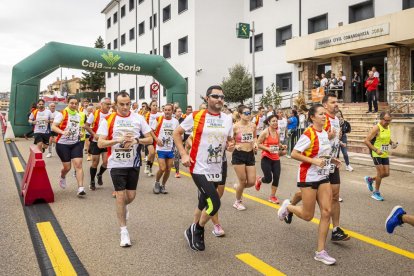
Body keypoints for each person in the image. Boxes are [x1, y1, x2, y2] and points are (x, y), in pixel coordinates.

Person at [278, 104, 341, 265]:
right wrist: (314, 161)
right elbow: (294, 154)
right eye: (320, 114)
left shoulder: (325, 134)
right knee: (308, 216)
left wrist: (331, 160)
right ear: (312, 117)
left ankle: (320, 252)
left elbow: (322, 153)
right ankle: (288, 207)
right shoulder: (308, 133)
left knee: (326, 212)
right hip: (308, 176)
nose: (324, 116)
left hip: (323, 176)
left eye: (324, 114)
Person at [173, 85, 234, 251]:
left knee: (204, 200)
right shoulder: (196, 116)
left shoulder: (227, 118)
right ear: (207, 99)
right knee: (214, 202)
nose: (219, 99)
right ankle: (197, 229)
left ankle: (192, 229)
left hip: (217, 167)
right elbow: (176, 133)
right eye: (215, 96)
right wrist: (184, 154)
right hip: (198, 167)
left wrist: (230, 144)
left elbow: (229, 139)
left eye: (222, 96)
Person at [97, 91, 153, 247]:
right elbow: (101, 143)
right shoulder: (108, 120)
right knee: (120, 196)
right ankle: (124, 231)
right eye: (122, 104)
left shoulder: (138, 118)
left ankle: (124, 207)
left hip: (133, 163)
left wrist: (136, 140)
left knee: (131, 196)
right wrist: (118, 140)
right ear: (116, 105)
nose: (125, 107)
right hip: (116, 164)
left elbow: (149, 139)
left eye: (128, 103)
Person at [322, 93, 350, 242]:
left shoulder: (337, 120)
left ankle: (336, 229)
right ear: (325, 105)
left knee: (334, 195)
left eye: (337, 101)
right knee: (307, 195)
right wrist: (329, 137)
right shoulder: (322, 118)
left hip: (332, 163)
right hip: (320, 163)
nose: (336, 104)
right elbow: (316, 139)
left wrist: (339, 144)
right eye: (333, 102)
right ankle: (290, 206)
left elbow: (335, 139)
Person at [51, 97, 86, 197]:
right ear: (67, 103)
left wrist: (79, 134)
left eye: (76, 103)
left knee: (78, 165)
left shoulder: (79, 115)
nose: (74, 105)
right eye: (72, 103)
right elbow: (53, 126)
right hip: (62, 144)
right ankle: (62, 176)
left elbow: (77, 128)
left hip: (76, 143)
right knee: (67, 167)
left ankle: (80, 188)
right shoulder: (62, 114)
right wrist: (62, 132)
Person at [363, 111, 397, 201]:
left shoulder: (388, 126)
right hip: (376, 153)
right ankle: (376, 193)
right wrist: (376, 150)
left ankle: (370, 179)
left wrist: (392, 143)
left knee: (386, 173)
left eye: (389, 120)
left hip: (384, 153)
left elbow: (387, 138)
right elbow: (366, 141)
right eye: (386, 120)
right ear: (381, 119)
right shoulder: (376, 128)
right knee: (380, 173)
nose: (388, 122)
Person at [255, 115, 287, 203]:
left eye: (276, 121)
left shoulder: (277, 132)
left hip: (276, 158)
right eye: (273, 121)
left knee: (276, 177)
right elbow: (258, 144)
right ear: (269, 122)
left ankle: (272, 196)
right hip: (266, 157)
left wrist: (282, 146)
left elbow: (278, 143)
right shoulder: (265, 132)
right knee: (268, 179)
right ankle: (259, 180)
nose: (275, 123)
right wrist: (267, 149)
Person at [232, 105, 257, 211]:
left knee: (251, 182)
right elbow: (229, 139)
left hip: (250, 154)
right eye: (246, 113)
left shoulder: (253, 125)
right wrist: (235, 145)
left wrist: (255, 143)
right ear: (240, 114)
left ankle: (238, 188)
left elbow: (255, 137)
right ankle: (237, 202)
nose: (248, 115)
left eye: (249, 113)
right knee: (243, 181)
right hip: (239, 154)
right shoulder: (235, 127)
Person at [84, 97, 112, 191]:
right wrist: (94, 134)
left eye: (110, 104)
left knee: (106, 162)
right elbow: (86, 126)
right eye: (107, 104)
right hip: (96, 142)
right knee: (95, 162)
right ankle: (92, 181)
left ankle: (99, 174)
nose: (109, 106)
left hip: (106, 142)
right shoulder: (95, 113)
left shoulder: (112, 114)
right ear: (102, 104)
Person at [152, 103, 179, 194]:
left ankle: (163, 185)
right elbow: (150, 131)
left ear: (172, 111)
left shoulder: (175, 121)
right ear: (163, 111)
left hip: (170, 148)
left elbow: (177, 134)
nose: (167, 112)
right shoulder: (158, 119)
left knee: (168, 169)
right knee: (162, 168)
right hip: (160, 148)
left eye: (169, 110)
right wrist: (156, 139)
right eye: (165, 110)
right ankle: (157, 182)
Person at [144, 100, 163, 176]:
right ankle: (147, 166)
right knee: (151, 152)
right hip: (149, 136)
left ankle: (150, 168)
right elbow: (145, 127)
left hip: (157, 136)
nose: (155, 107)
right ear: (150, 106)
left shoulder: (160, 114)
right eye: (153, 105)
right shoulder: (147, 115)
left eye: (156, 105)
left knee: (153, 154)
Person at [173, 108, 184, 178]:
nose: (180, 113)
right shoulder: (173, 120)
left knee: (177, 156)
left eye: (181, 111)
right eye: (178, 111)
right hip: (170, 140)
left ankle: (177, 172)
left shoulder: (183, 120)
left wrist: (182, 137)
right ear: (175, 113)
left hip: (178, 139)